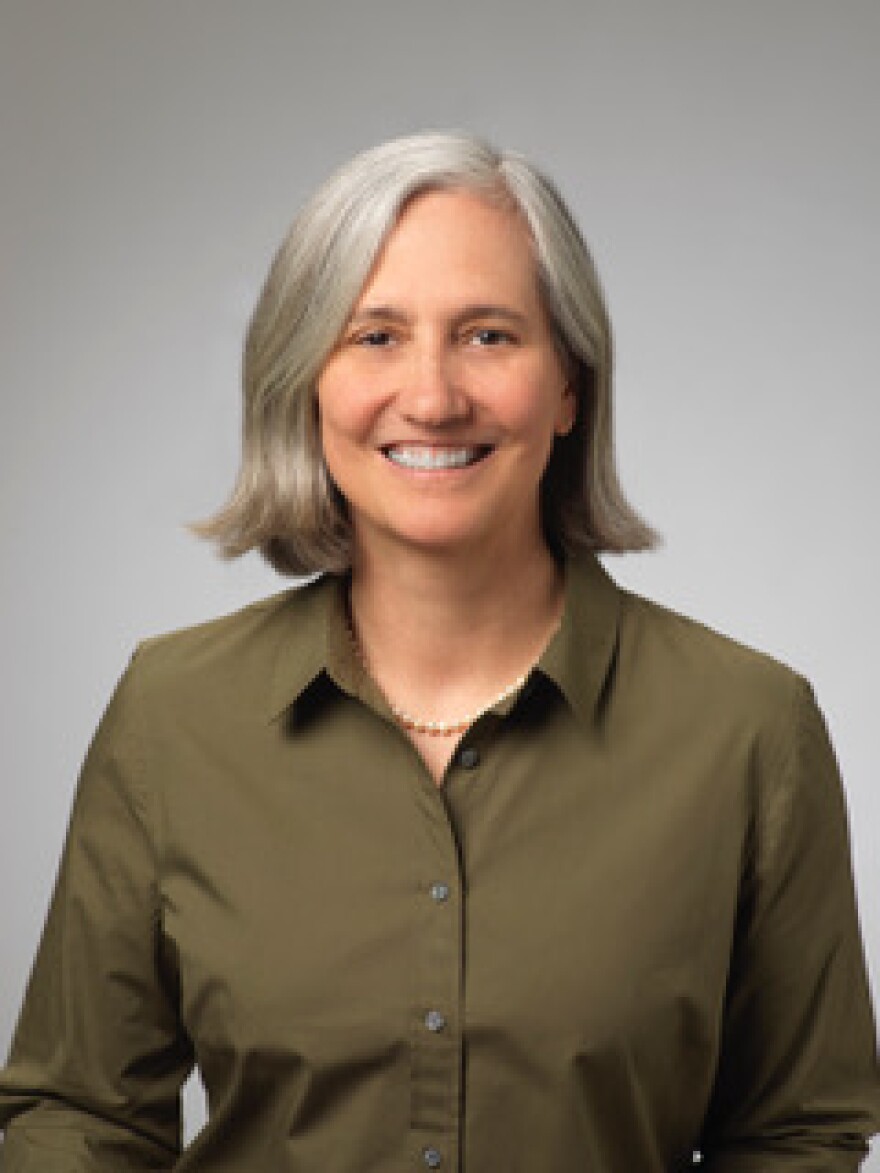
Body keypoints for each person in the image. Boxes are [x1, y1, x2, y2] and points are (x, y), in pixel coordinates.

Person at [1, 131, 878, 1172]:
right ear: (305, 383)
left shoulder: (748, 731)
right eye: (373, 336)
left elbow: (797, 1134)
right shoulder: (172, 715)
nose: (431, 395)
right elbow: (78, 1115)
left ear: (568, 389)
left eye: (489, 336)